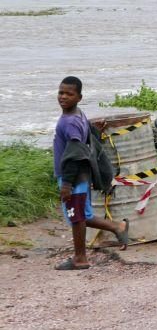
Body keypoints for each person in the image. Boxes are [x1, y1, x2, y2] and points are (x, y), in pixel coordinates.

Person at [53, 76, 129, 270]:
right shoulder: (78, 115)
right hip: (81, 175)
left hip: (74, 176)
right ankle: (117, 227)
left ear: (79, 97)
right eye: (61, 92)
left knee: (76, 216)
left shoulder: (69, 122)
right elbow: (86, 138)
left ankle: (80, 258)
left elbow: (75, 154)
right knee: (80, 214)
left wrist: (67, 184)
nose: (63, 97)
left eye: (69, 94)